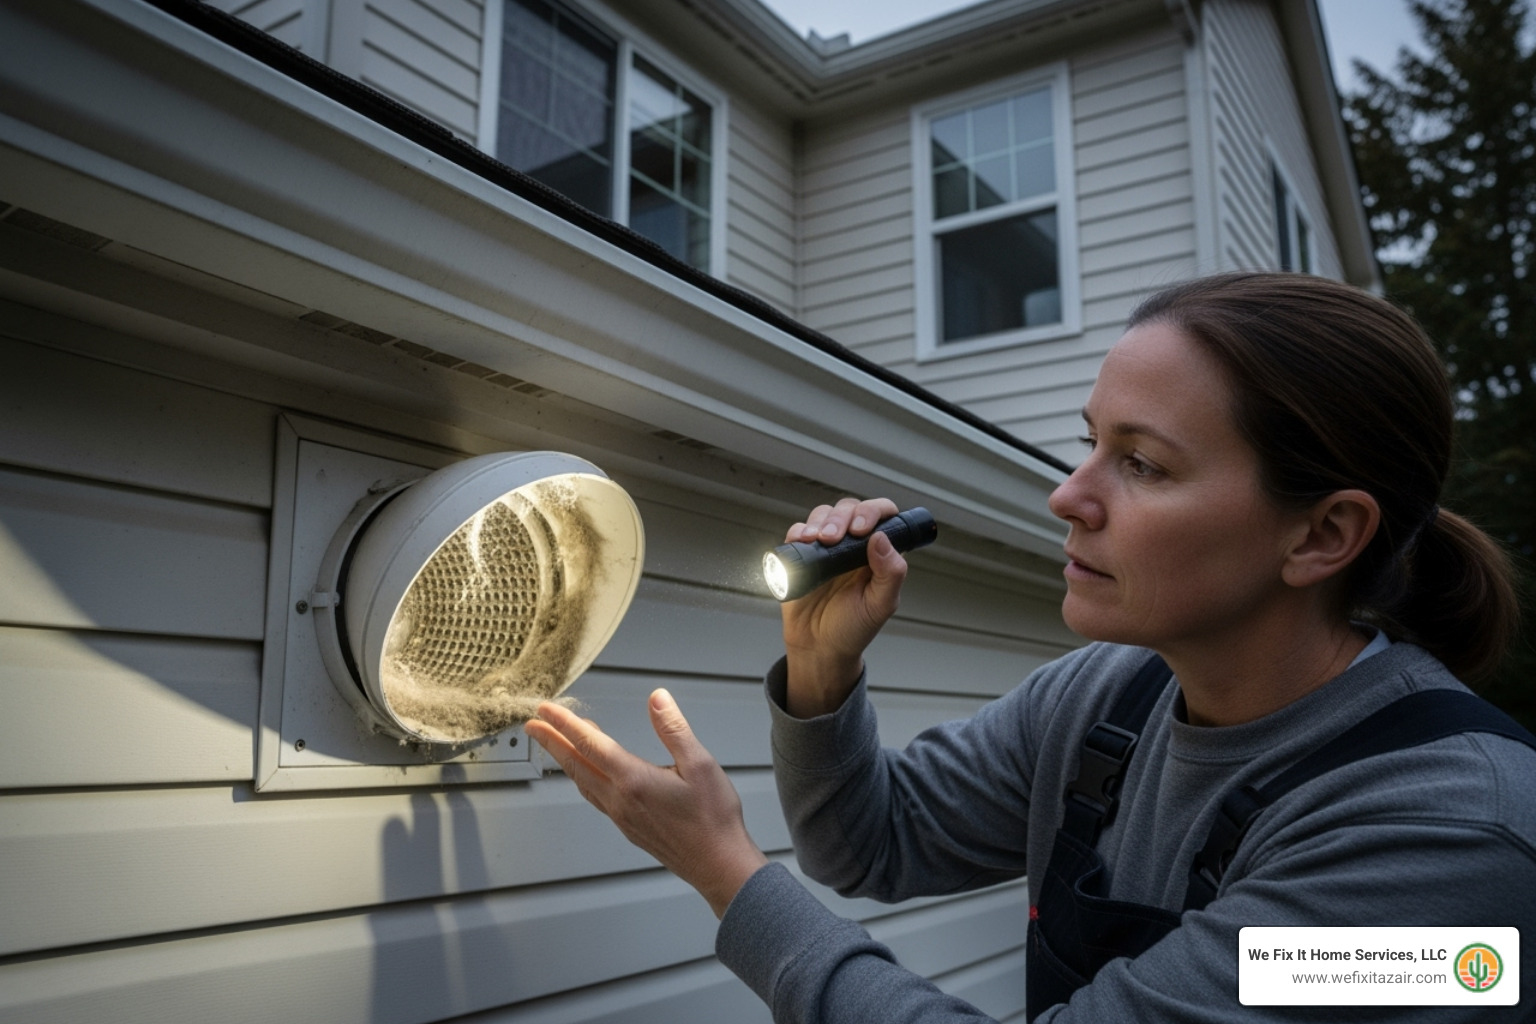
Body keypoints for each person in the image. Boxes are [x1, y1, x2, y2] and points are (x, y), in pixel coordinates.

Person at [525, 272, 1536, 1022]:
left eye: (1140, 462)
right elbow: (871, 843)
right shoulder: (1107, 701)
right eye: (1090, 440)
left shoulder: (1448, 840)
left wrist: (728, 874)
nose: (1068, 495)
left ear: (1320, 535)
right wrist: (823, 668)